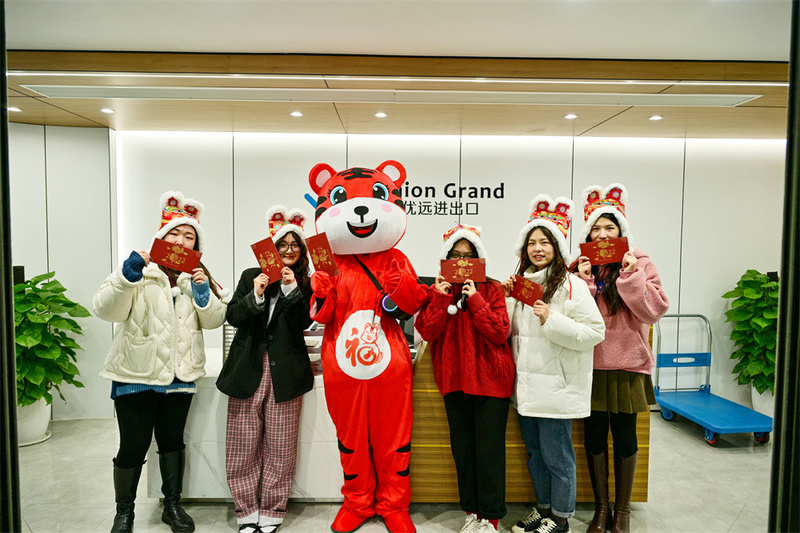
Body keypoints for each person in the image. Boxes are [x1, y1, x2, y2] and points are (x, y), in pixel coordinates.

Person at [93, 191, 227, 533]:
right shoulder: (139, 270)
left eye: (189, 236)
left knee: (172, 441)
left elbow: (214, 320)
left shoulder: (197, 276)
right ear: (162, 236)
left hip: (180, 374)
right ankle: (124, 512)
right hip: (136, 372)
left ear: (196, 245)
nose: (181, 241)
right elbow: (105, 309)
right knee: (132, 445)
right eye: (174, 234)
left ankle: (172, 505)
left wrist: (203, 295)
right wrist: (126, 277)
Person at [501, 195, 605, 533]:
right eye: (531, 242)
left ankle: (561, 518)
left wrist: (551, 319)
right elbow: (510, 334)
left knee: (558, 457)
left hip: (557, 389)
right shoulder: (522, 285)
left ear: (557, 247)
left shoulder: (572, 285)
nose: (537, 248)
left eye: (544, 242)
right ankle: (543, 509)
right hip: (527, 388)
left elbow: (595, 332)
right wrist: (505, 298)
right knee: (535, 454)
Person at [574, 184, 669, 533]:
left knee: (626, 437)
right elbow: (573, 314)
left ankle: (623, 511)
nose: (602, 235)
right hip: (591, 366)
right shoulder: (580, 266)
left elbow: (654, 311)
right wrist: (584, 282)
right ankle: (602, 509)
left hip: (628, 365)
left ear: (621, 231)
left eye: (609, 228)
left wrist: (630, 276)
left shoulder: (640, 263)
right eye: (596, 229)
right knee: (594, 437)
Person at [216, 206, 315, 533]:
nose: (288, 250)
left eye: (295, 245)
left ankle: (272, 510)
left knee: (281, 448)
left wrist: (291, 291)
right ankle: (246, 511)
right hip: (247, 370)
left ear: (301, 252)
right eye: (282, 245)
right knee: (242, 445)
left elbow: (303, 323)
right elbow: (233, 316)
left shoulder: (305, 282)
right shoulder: (250, 276)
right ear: (271, 249)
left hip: (287, 373)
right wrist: (256, 295)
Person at [415, 224, 515, 533]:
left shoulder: (492, 289)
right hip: (454, 382)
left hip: (491, 382)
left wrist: (476, 300)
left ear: (478, 259)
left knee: (489, 452)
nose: (462, 261)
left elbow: (500, 332)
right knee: (463, 451)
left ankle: (491, 517)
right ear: (446, 259)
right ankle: (472, 512)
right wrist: (438, 298)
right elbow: (427, 332)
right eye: (456, 255)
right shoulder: (438, 291)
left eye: (468, 255)